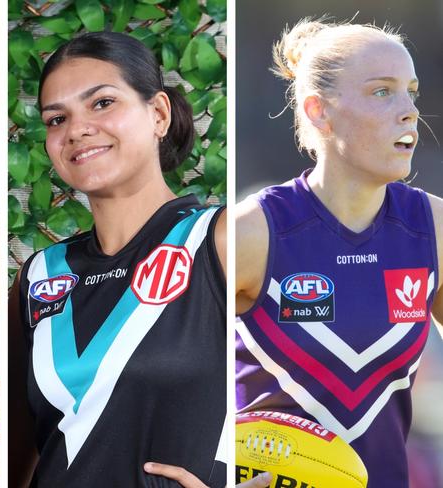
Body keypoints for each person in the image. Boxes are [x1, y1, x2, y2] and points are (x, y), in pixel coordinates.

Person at [9, 31, 235, 488]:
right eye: (57, 118)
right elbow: (16, 459)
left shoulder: (220, 239)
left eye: (102, 103)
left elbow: (302, 382)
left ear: (158, 114)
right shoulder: (38, 276)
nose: (76, 129)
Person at [235, 18, 442, 488]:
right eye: (382, 92)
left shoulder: (434, 229)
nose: (410, 111)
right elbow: (157, 368)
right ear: (319, 112)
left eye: (411, 91)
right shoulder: (255, 231)